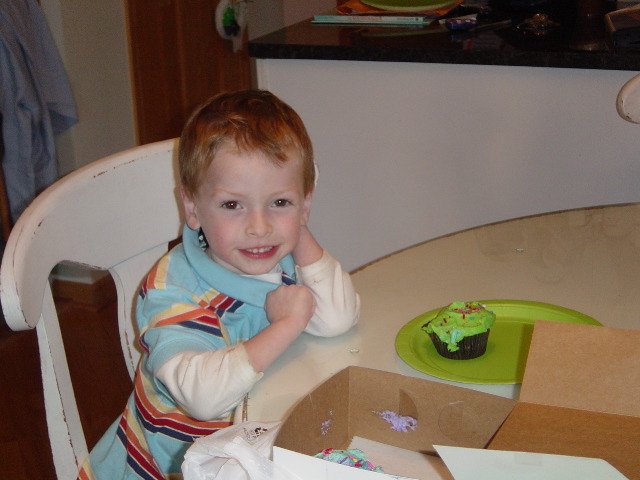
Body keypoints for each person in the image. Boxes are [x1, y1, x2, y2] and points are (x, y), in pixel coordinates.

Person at [77, 90, 360, 480]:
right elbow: (203, 398)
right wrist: (285, 325)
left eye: (280, 203)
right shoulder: (172, 289)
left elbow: (336, 321)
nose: (259, 227)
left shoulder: (281, 252)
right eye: (232, 205)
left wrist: (300, 234)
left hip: (255, 442)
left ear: (305, 204)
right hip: (172, 465)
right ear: (192, 208)